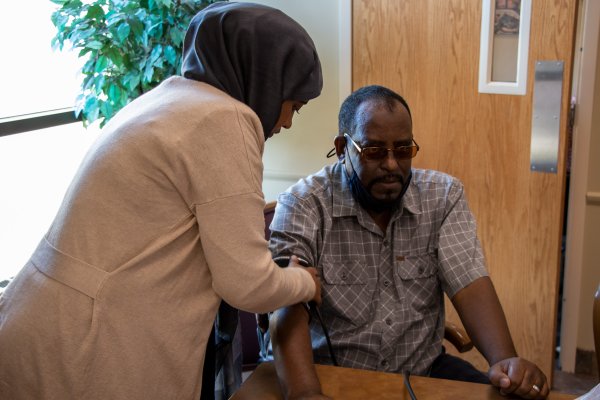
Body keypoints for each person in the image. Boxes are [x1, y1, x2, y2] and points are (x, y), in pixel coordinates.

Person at [0, 2, 323, 399]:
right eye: (293, 104)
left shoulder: (168, 101)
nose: (286, 121)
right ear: (266, 80)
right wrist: (304, 283)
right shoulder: (225, 120)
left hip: (40, 320)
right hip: (89, 341)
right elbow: (249, 285)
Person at [267, 85, 549, 400]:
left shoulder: (443, 197)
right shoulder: (303, 204)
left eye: (403, 150)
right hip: (331, 373)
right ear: (343, 148)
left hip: (422, 370)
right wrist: (306, 393)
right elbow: (286, 308)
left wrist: (505, 361)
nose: (391, 165)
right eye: (374, 151)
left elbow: (469, 281)